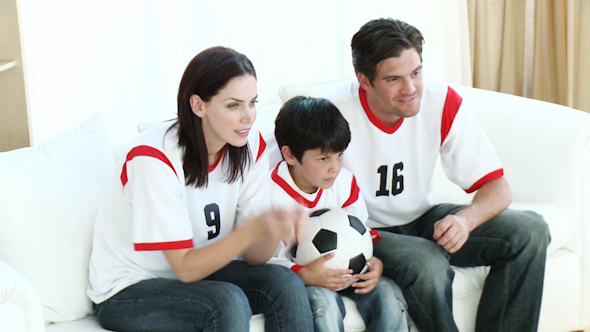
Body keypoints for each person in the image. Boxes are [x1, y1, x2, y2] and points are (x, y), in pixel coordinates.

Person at [321, 18, 550, 332]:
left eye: (416, 73)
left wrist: (466, 220)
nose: (411, 88)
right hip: (365, 231)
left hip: (422, 219)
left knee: (531, 231)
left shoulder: (442, 103)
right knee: (426, 261)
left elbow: (498, 188)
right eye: (394, 79)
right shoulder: (333, 114)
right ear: (365, 81)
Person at [86, 46, 313, 332]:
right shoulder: (153, 158)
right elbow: (185, 268)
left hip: (205, 270)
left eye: (252, 102)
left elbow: (255, 257)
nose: (249, 117)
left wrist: (274, 228)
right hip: (129, 289)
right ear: (198, 105)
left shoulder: (249, 145)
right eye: (234, 105)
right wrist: (252, 228)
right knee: (227, 301)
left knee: (284, 282)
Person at [268, 96, 410, 332]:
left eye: (339, 154)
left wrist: (372, 263)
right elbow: (264, 262)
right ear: (290, 155)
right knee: (325, 305)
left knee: (389, 295)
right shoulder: (268, 198)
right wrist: (304, 274)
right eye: (323, 158)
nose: (335, 167)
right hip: (304, 281)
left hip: (348, 273)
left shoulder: (344, 182)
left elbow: (359, 232)